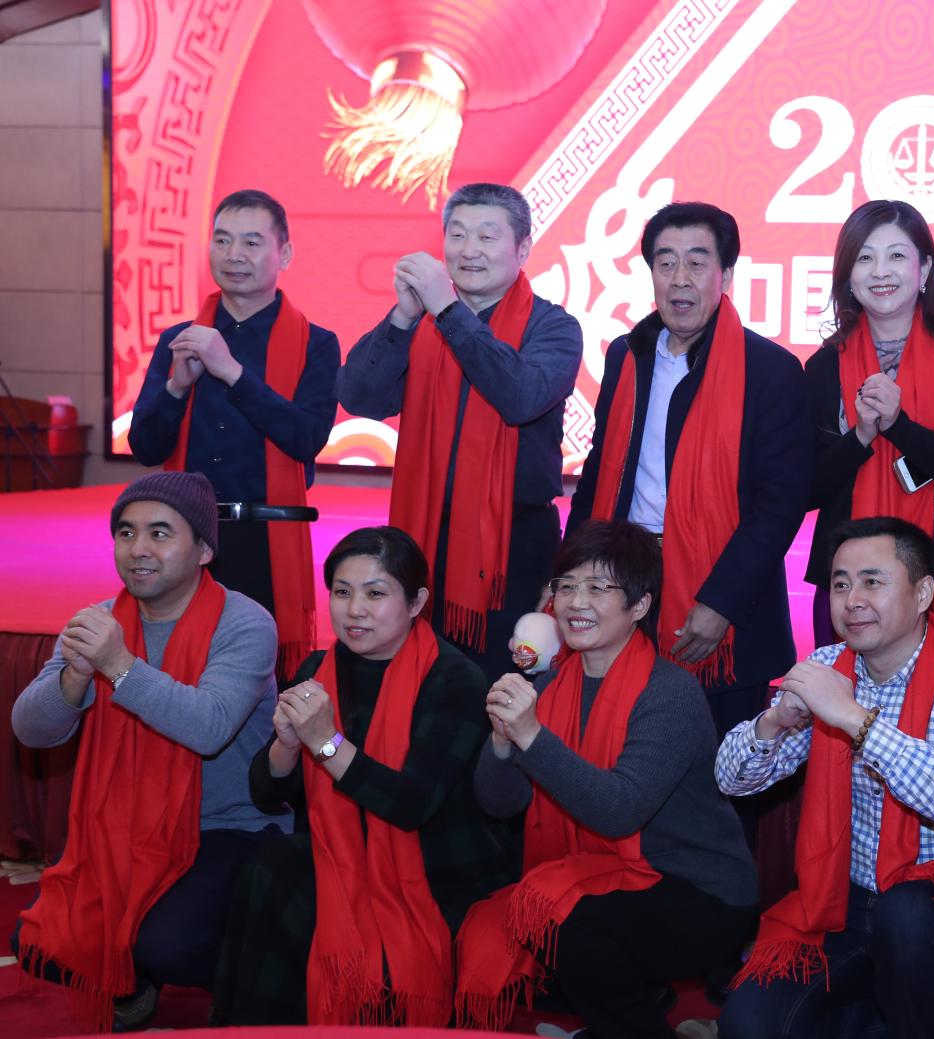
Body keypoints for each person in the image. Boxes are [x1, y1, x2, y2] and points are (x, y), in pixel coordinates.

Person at [455, 520, 758, 1037]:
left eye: (598, 588)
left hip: (701, 891)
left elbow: (619, 811)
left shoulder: (670, 693)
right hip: (609, 877)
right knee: (505, 926)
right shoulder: (553, 684)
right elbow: (500, 803)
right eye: (566, 585)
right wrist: (503, 742)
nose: (576, 602)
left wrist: (531, 736)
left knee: (569, 928)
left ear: (639, 606)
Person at [716, 517, 934, 1039]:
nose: (852, 600)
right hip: (844, 904)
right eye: (840, 584)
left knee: (907, 914)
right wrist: (774, 722)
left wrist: (854, 719)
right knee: (749, 1023)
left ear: (923, 594)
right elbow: (732, 781)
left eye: (872, 582)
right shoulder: (828, 667)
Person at [11, 471, 286, 1030]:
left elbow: (208, 727)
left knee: (170, 944)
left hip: (228, 824)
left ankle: (248, 982)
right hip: (126, 824)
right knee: (39, 942)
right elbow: (30, 729)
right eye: (126, 532)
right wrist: (74, 678)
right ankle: (134, 984)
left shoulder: (245, 623)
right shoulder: (101, 621)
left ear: (204, 550)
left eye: (160, 533)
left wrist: (118, 665)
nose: (138, 548)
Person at [211, 526, 518, 1026]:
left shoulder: (454, 678)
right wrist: (288, 744)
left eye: (375, 594)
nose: (354, 610)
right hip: (343, 848)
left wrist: (325, 742)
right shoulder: (318, 669)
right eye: (342, 592)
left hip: (432, 863)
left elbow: (410, 805)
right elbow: (266, 793)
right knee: (269, 870)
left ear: (416, 603)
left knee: (295, 890)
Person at [567, 201, 811, 741]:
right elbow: (598, 473)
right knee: (619, 745)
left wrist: (722, 601)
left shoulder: (769, 370)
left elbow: (780, 503)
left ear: (726, 274)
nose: (680, 278)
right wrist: (567, 577)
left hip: (722, 595)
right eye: (666, 262)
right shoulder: (627, 356)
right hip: (625, 580)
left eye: (697, 263)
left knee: (720, 764)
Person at [337, 182, 582, 677]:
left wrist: (447, 312)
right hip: (422, 537)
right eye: (457, 235)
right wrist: (403, 316)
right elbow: (360, 397)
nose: (469, 250)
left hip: (510, 551)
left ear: (523, 249)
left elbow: (519, 396)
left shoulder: (553, 327)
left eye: (487, 237)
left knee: (504, 690)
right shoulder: (421, 325)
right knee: (419, 687)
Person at [128, 188, 339, 676]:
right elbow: (146, 447)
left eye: (251, 242)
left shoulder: (316, 344)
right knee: (180, 672)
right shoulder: (178, 340)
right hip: (185, 535)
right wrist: (177, 389)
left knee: (267, 678)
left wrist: (232, 373)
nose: (233, 255)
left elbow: (306, 438)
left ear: (284, 254)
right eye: (222, 241)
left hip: (267, 539)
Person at [803, 199, 934, 656]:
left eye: (896, 255)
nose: (880, 272)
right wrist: (861, 437)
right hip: (848, 583)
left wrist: (900, 427)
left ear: (924, 268)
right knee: (845, 698)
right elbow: (807, 488)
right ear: (847, 276)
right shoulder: (823, 366)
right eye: (864, 258)